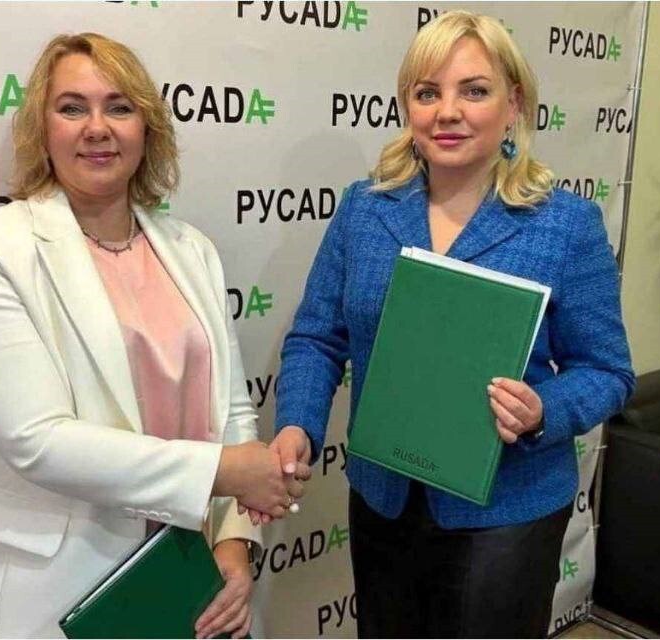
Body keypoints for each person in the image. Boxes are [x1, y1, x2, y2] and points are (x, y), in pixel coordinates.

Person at [270, 11, 634, 638]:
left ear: (513, 103)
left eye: (474, 90)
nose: (448, 112)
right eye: (427, 93)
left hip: (507, 513)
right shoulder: (365, 208)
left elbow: (607, 372)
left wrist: (542, 410)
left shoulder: (565, 225)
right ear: (407, 106)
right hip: (384, 500)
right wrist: (297, 423)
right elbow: (316, 337)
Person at [0, 33, 308, 639]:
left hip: (187, 580)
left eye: (119, 107)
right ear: (42, 127)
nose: (97, 128)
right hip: (55, 593)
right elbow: (37, 440)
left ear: (147, 127)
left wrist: (234, 547)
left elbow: (231, 412)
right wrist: (223, 471)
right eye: (72, 108)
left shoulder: (192, 249)